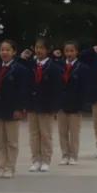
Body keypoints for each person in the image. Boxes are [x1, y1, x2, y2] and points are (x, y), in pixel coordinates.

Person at [0, 40, 31, 178]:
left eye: (8, 50)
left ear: (14, 52)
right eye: (2, 50)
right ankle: (1, 166)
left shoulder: (20, 69)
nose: (4, 52)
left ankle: (10, 167)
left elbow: (23, 90)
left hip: (12, 109)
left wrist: (19, 108)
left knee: (11, 141)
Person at [25, 39, 60, 173]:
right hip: (32, 104)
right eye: (37, 47)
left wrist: (54, 107)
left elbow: (57, 89)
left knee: (45, 134)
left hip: (46, 105)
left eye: (42, 48)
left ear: (47, 50)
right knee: (34, 134)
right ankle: (36, 160)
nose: (39, 50)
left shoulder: (53, 67)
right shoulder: (30, 65)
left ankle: (46, 160)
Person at [55, 41, 92, 166]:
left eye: (72, 51)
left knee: (74, 132)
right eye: (67, 51)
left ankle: (73, 155)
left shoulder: (83, 67)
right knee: (62, 132)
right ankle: (65, 154)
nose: (69, 53)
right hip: (61, 104)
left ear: (76, 52)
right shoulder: (59, 66)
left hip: (75, 104)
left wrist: (82, 105)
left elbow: (85, 88)